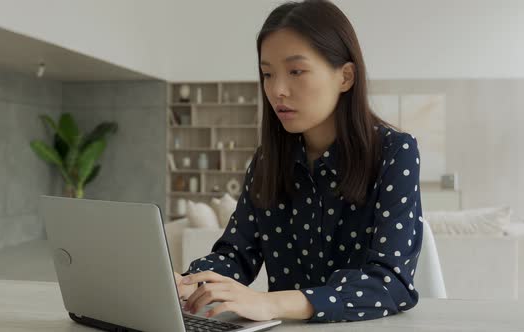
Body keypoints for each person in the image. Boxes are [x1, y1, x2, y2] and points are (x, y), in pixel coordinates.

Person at [174, 0, 423, 324]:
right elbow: (236, 256)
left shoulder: (395, 152)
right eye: (267, 74)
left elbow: (390, 283)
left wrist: (270, 304)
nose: (277, 90)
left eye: (296, 71)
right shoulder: (267, 161)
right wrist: (186, 282)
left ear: (345, 76)